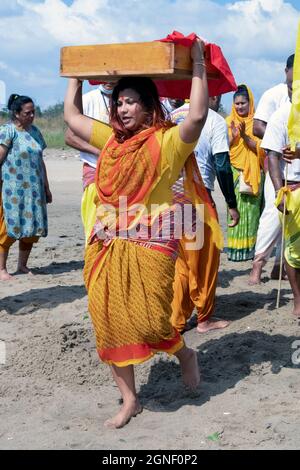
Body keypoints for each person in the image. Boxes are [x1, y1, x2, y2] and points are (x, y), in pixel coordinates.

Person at [64, 39, 212, 428]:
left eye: (131, 102)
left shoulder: (166, 143)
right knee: (107, 319)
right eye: (119, 102)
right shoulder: (111, 142)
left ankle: (184, 353)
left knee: (151, 323)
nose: (123, 109)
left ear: (149, 108)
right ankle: (130, 399)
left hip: (152, 244)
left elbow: (196, 116)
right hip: (107, 244)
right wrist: (75, 76)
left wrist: (197, 64)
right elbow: (72, 116)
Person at [170, 95, 239, 333]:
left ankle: (176, 320)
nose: (219, 97)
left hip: (172, 198)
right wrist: (231, 203)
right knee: (206, 261)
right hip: (198, 199)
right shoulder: (214, 120)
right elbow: (222, 164)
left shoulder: (173, 116)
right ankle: (203, 319)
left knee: (182, 262)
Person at [249, 54, 294, 284]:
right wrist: (279, 139)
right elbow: (257, 127)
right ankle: (257, 266)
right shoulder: (274, 96)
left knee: (294, 224)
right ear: (285, 71)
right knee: (274, 215)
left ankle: (281, 268)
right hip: (277, 164)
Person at [0, 94, 52, 281]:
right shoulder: (7, 131)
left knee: (31, 228)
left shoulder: (36, 132)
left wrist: (46, 187)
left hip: (34, 190)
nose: (31, 116)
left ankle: (22, 265)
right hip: (12, 190)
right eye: (27, 113)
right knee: (8, 229)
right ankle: (2, 269)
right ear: (16, 113)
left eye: (33, 112)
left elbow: (41, 161)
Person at [263, 74, 300, 317]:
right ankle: (298, 300)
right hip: (292, 189)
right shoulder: (281, 116)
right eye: (291, 86)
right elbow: (272, 156)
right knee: (293, 250)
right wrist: (280, 192)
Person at [65, 83, 113, 244]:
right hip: (94, 167)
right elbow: (70, 137)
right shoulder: (87, 99)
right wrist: (97, 152)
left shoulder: (126, 98)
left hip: (122, 169)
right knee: (95, 222)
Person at [226, 84, 265, 261]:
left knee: (251, 211)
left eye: (243, 103)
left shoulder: (257, 123)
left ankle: (249, 250)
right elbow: (222, 147)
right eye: (237, 104)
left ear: (250, 103)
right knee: (235, 208)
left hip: (253, 171)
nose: (240, 107)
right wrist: (234, 137)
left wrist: (244, 137)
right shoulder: (228, 121)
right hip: (235, 171)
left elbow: (260, 149)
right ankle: (235, 250)